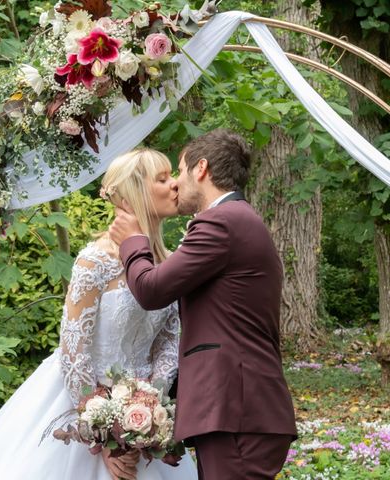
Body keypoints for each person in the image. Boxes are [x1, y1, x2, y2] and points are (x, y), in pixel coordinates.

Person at [0, 149, 198, 480]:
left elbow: (168, 344)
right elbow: (74, 352)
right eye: (163, 179)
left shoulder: (168, 265)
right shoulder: (94, 261)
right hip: (83, 403)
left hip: (144, 411)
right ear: (136, 192)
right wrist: (104, 433)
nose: (176, 184)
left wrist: (150, 409)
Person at [110, 129, 298, 480]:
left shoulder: (221, 223)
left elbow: (151, 291)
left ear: (201, 168)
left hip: (237, 411)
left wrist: (134, 241)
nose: (177, 184)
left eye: (179, 172)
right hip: (240, 410)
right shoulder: (238, 220)